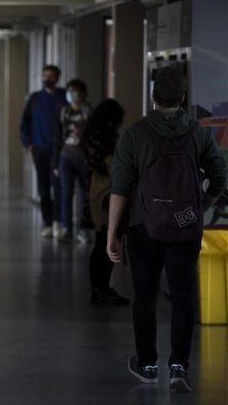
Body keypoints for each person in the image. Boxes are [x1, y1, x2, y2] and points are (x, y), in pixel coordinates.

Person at [108, 66, 227, 392]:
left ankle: (147, 363)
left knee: (144, 296)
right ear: (184, 98)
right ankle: (179, 365)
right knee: (183, 296)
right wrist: (197, 210)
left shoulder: (134, 134)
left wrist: (111, 234)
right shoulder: (199, 133)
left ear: (153, 98)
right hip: (185, 229)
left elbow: (120, 186)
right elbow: (220, 178)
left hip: (144, 226)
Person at [80, 99, 129, 306]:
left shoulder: (91, 135)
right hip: (105, 192)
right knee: (106, 241)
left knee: (102, 241)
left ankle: (100, 288)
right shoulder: (104, 138)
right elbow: (109, 164)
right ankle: (101, 289)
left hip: (96, 191)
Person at [20, 64, 67, 238]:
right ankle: (48, 222)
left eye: (51, 76)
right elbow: (24, 123)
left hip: (59, 150)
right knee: (44, 187)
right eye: (45, 75)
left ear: (57, 77)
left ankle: (58, 221)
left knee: (59, 185)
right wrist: (29, 144)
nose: (48, 78)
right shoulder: (35, 99)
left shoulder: (64, 97)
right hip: (39, 149)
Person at [53, 79, 92, 243]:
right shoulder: (64, 111)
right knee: (66, 192)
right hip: (66, 157)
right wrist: (55, 163)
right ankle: (66, 227)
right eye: (69, 90)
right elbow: (57, 137)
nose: (72, 94)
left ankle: (84, 230)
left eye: (75, 91)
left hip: (84, 158)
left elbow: (93, 135)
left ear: (82, 93)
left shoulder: (89, 111)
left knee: (85, 194)